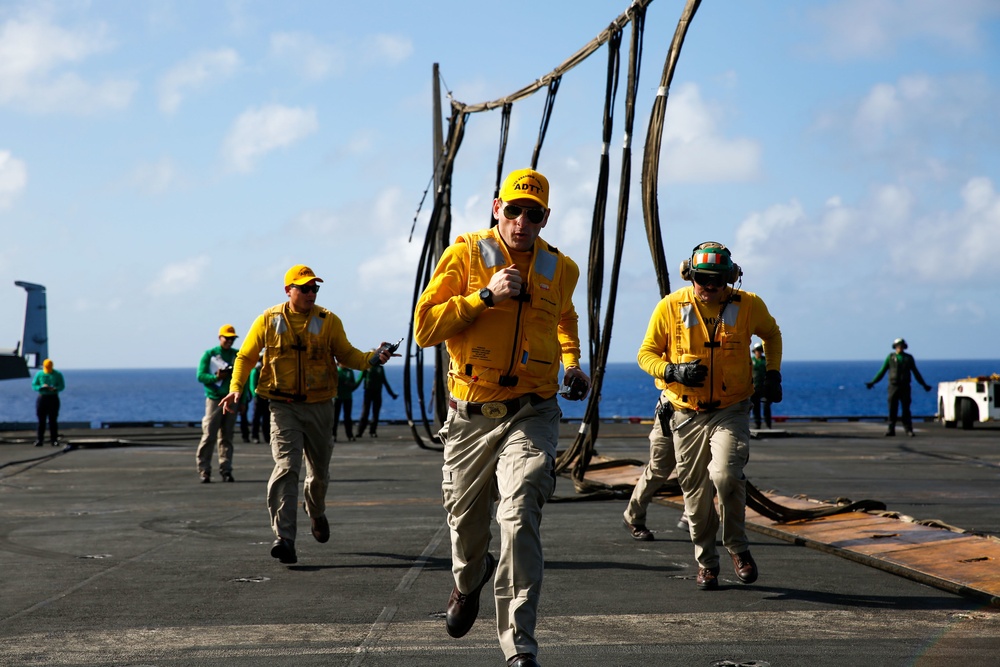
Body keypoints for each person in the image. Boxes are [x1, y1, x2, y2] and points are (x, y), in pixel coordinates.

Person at [414, 168, 590, 667]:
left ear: (544, 218)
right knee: (466, 526)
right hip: (470, 416)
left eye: (532, 213)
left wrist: (573, 363)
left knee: (519, 513)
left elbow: (564, 318)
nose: (521, 221)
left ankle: (520, 644)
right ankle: (468, 581)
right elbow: (425, 327)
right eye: (512, 210)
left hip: (533, 411)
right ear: (497, 208)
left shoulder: (561, 268)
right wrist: (484, 296)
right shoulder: (467, 253)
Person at [220, 264, 396, 565]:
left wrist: (373, 359)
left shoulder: (328, 321)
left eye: (315, 288)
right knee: (287, 468)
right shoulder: (268, 319)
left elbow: (347, 354)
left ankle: (315, 510)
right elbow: (247, 356)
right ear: (288, 290)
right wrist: (236, 388)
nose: (311, 293)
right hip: (282, 406)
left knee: (318, 474)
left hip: (320, 406)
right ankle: (285, 537)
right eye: (304, 288)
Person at [637, 241, 782, 591]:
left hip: (731, 410)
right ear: (690, 275)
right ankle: (706, 562)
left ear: (731, 278)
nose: (711, 287)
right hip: (685, 414)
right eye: (703, 279)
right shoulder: (670, 307)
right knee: (695, 493)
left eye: (719, 280)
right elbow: (645, 354)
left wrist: (773, 373)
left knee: (726, 475)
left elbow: (772, 334)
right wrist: (672, 371)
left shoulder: (748, 305)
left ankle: (738, 548)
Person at [196, 325, 239, 483]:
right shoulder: (210, 354)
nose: (229, 341)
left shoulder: (236, 355)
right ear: (219, 337)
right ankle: (204, 469)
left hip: (232, 399)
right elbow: (200, 376)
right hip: (215, 399)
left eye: (232, 338)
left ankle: (226, 469)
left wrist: (244, 399)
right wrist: (216, 377)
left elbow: (244, 378)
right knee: (209, 435)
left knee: (227, 436)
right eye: (226, 338)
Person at [866, 338, 931, 437]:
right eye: (898, 345)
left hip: (905, 386)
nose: (899, 347)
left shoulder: (908, 358)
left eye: (901, 345)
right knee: (892, 409)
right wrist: (873, 382)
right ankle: (891, 429)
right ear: (895, 347)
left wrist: (924, 385)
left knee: (906, 409)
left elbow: (916, 373)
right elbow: (882, 371)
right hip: (893, 386)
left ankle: (908, 429)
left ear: (904, 347)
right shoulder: (890, 358)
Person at [354, 364, 398, 438]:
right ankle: (360, 432)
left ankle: (373, 431)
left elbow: (385, 381)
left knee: (376, 413)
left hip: (377, 392)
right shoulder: (366, 367)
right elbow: (359, 379)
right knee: (365, 412)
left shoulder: (380, 368)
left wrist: (392, 394)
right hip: (368, 392)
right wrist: (351, 388)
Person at [32, 358, 65, 447]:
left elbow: (62, 386)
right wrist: (40, 387)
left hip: (53, 398)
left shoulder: (57, 374)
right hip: (42, 397)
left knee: (53, 420)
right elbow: (34, 385)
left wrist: (55, 388)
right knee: (41, 420)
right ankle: (39, 439)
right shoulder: (39, 374)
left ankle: (54, 440)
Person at [333, 361, 361, 442]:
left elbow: (354, 384)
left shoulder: (350, 372)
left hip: (348, 397)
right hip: (337, 397)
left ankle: (350, 435)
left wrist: (349, 385)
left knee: (348, 418)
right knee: (335, 417)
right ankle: (333, 435)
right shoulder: (336, 371)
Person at [750, 341, 772, 430]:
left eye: (760, 350)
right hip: (754, 388)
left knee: (766, 406)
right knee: (756, 407)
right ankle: (757, 424)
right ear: (754, 351)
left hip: (765, 388)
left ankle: (768, 424)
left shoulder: (765, 361)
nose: (758, 352)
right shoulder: (751, 361)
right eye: (757, 350)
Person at [249, 354, 270, 444]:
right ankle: (255, 436)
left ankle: (267, 437)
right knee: (256, 418)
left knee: (266, 418)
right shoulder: (256, 371)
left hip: (266, 397)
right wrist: (255, 395)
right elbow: (252, 384)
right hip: (258, 397)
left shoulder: (268, 371)